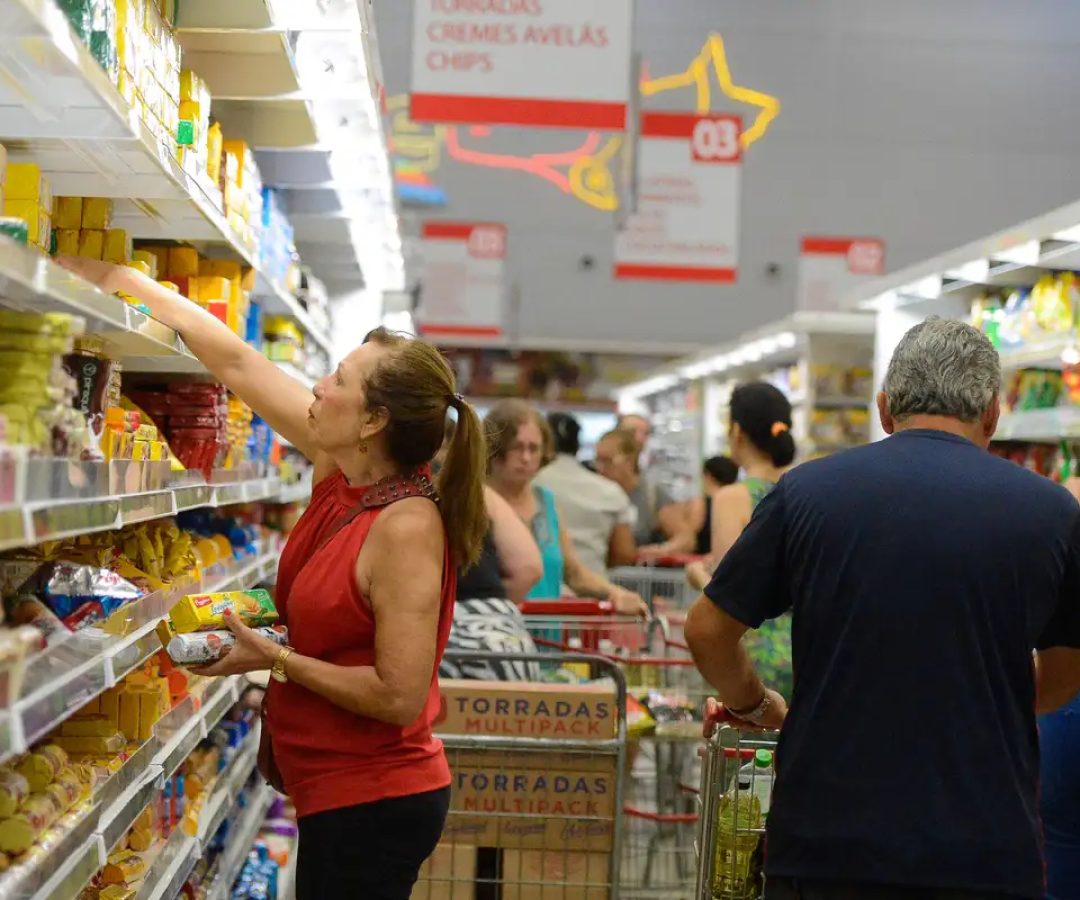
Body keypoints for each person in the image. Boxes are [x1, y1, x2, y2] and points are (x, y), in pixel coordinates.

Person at [56, 256, 488, 900]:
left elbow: (399, 695)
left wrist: (277, 660)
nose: (317, 386)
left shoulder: (406, 527)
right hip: (327, 784)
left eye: (337, 378)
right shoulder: (341, 470)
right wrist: (120, 277)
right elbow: (237, 364)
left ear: (372, 421)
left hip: (373, 798)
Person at [684, 318, 1080, 900]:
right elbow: (1067, 673)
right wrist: (987, 702)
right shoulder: (1052, 514)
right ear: (993, 415)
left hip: (825, 845)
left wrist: (757, 703)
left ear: (885, 408)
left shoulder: (807, 493)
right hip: (986, 848)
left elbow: (707, 631)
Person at [483, 400, 648, 617]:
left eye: (533, 448)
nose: (525, 458)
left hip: (548, 636)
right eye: (516, 447)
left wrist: (616, 593)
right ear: (495, 449)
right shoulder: (476, 502)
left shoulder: (546, 502)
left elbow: (574, 572)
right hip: (494, 637)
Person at [436, 421, 544, 682]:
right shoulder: (480, 495)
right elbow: (529, 569)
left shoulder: (396, 499)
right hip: (504, 648)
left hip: (438, 645)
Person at [533, 412, 636, 573]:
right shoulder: (611, 492)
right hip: (595, 588)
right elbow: (624, 553)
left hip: (541, 586)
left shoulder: (530, 485)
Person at [639, 455, 739, 559]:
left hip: (699, 565)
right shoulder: (739, 507)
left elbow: (687, 540)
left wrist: (661, 550)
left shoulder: (699, 505)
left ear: (707, 476)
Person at [594, 428, 674, 545]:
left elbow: (685, 539)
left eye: (607, 461)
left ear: (629, 461)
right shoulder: (592, 495)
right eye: (597, 460)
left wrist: (659, 551)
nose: (600, 468)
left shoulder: (652, 495)